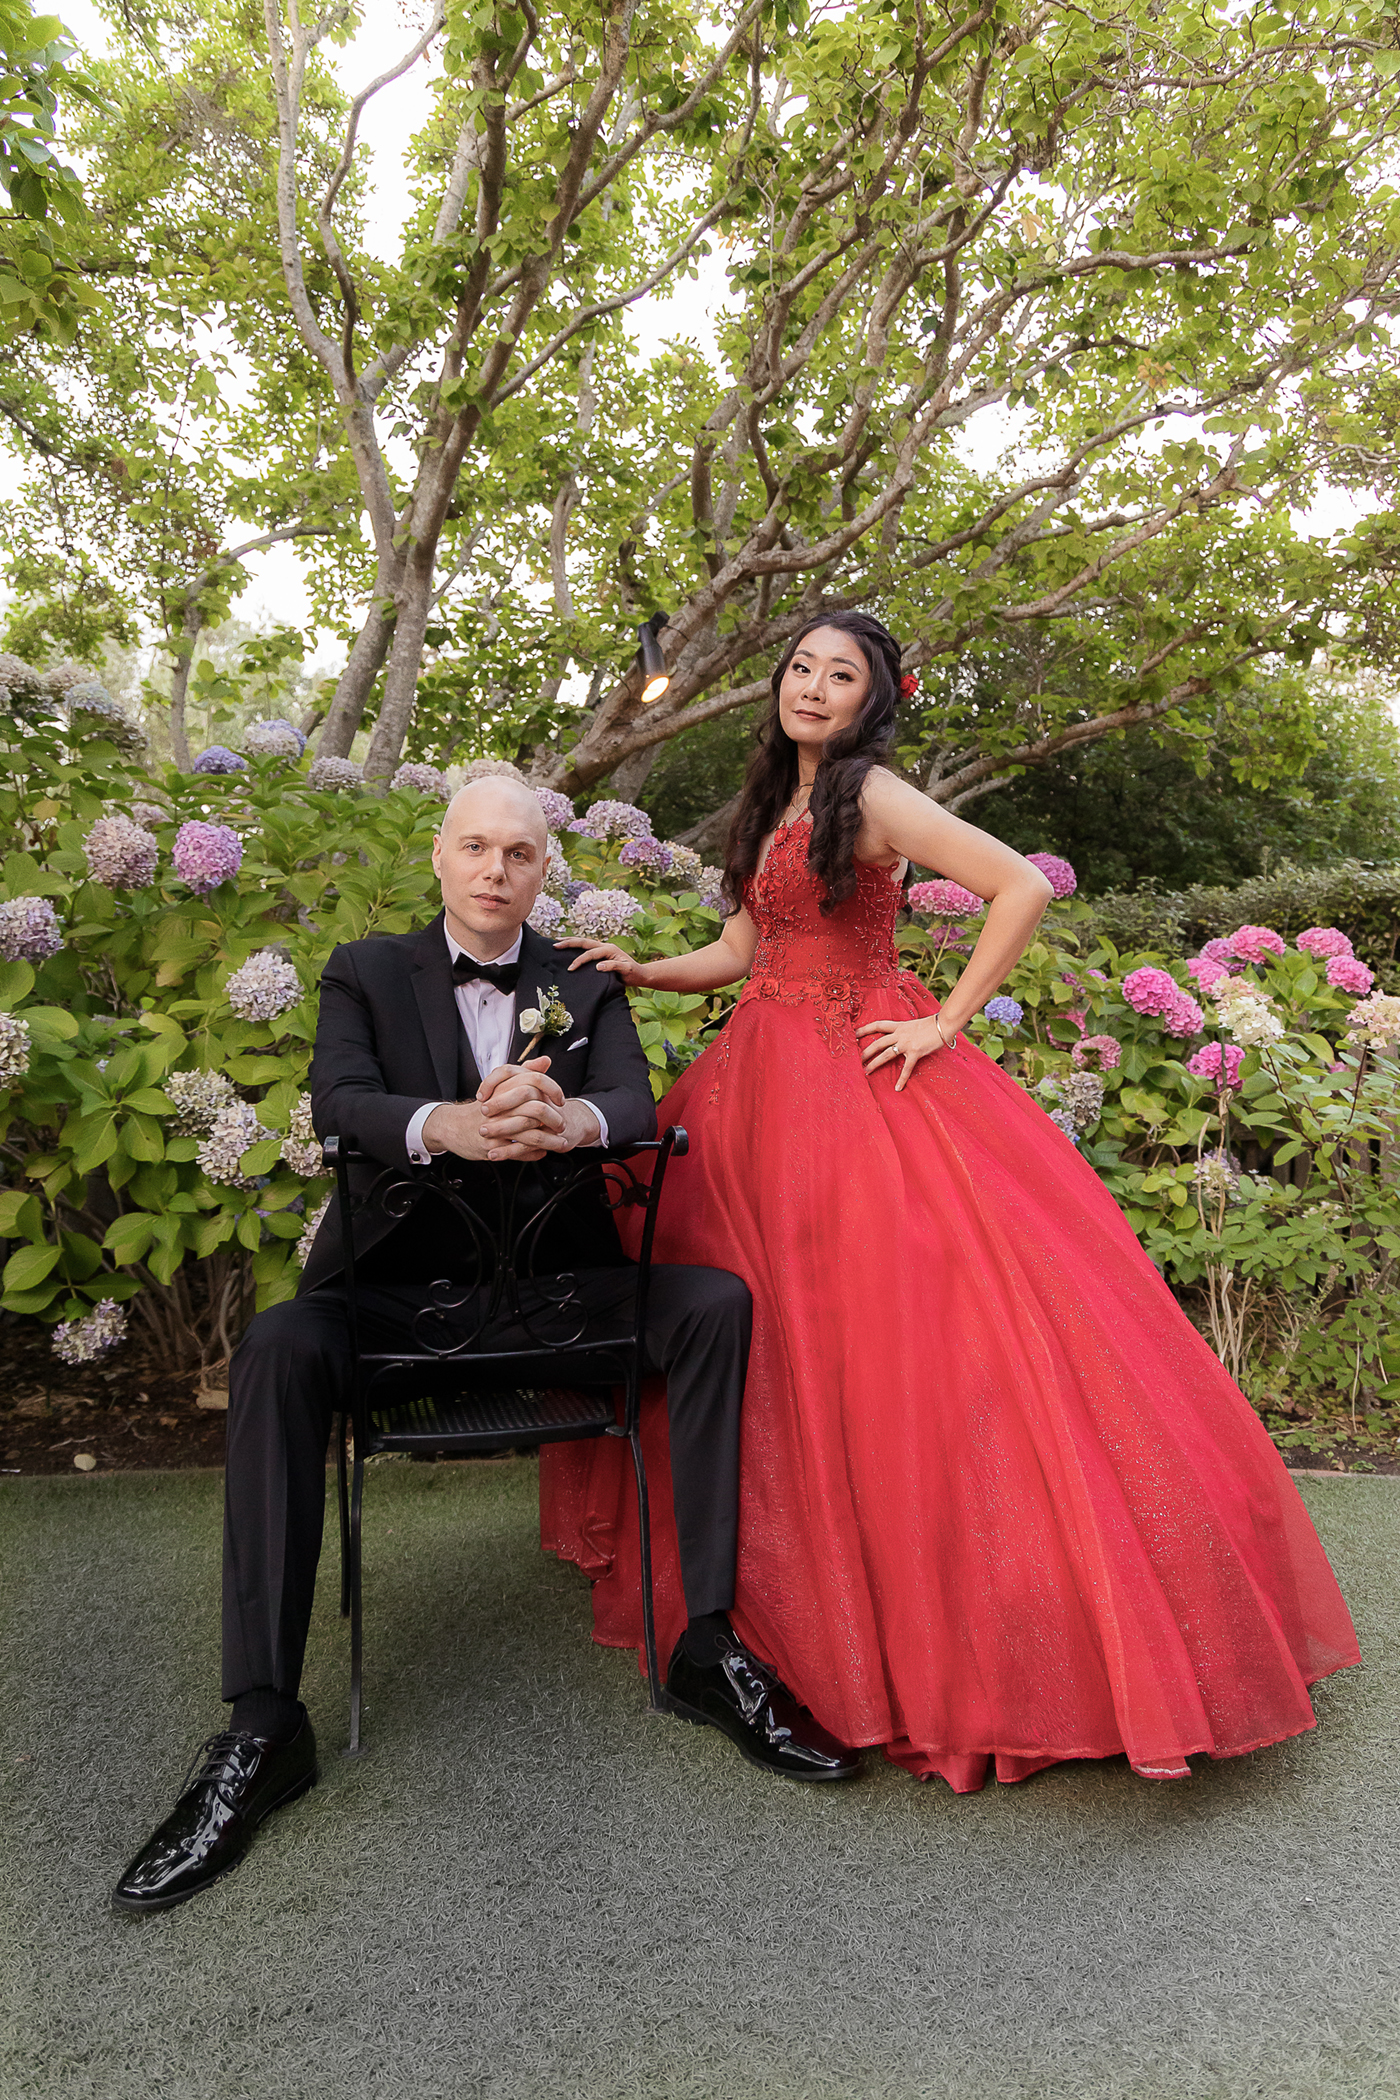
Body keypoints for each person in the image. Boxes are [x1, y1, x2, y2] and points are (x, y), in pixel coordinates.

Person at [540, 611, 1361, 1792]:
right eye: (801, 669)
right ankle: (760, 1600)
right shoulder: (780, 792)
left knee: (895, 1347)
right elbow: (747, 943)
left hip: (854, 1090)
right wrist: (649, 969)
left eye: (842, 675)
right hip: (755, 1095)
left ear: (871, 700)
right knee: (764, 1342)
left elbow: (1016, 885)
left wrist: (941, 1019)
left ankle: (939, 1634)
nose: (813, 687)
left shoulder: (873, 793)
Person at [113, 778, 857, 1915]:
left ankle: (705, 1646)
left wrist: (569, 1120)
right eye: (474, 846)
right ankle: (264, 1724)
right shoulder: (366, 969)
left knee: (712, 1304)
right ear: (439, 857)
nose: (495, 869)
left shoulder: (577, 976)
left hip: (561, 1297)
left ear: (541, 867)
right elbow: (336, 1102)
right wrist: (448, 1124)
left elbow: (637, 1105)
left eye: (517, 851)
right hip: (400, 1309)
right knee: (277, 1346)